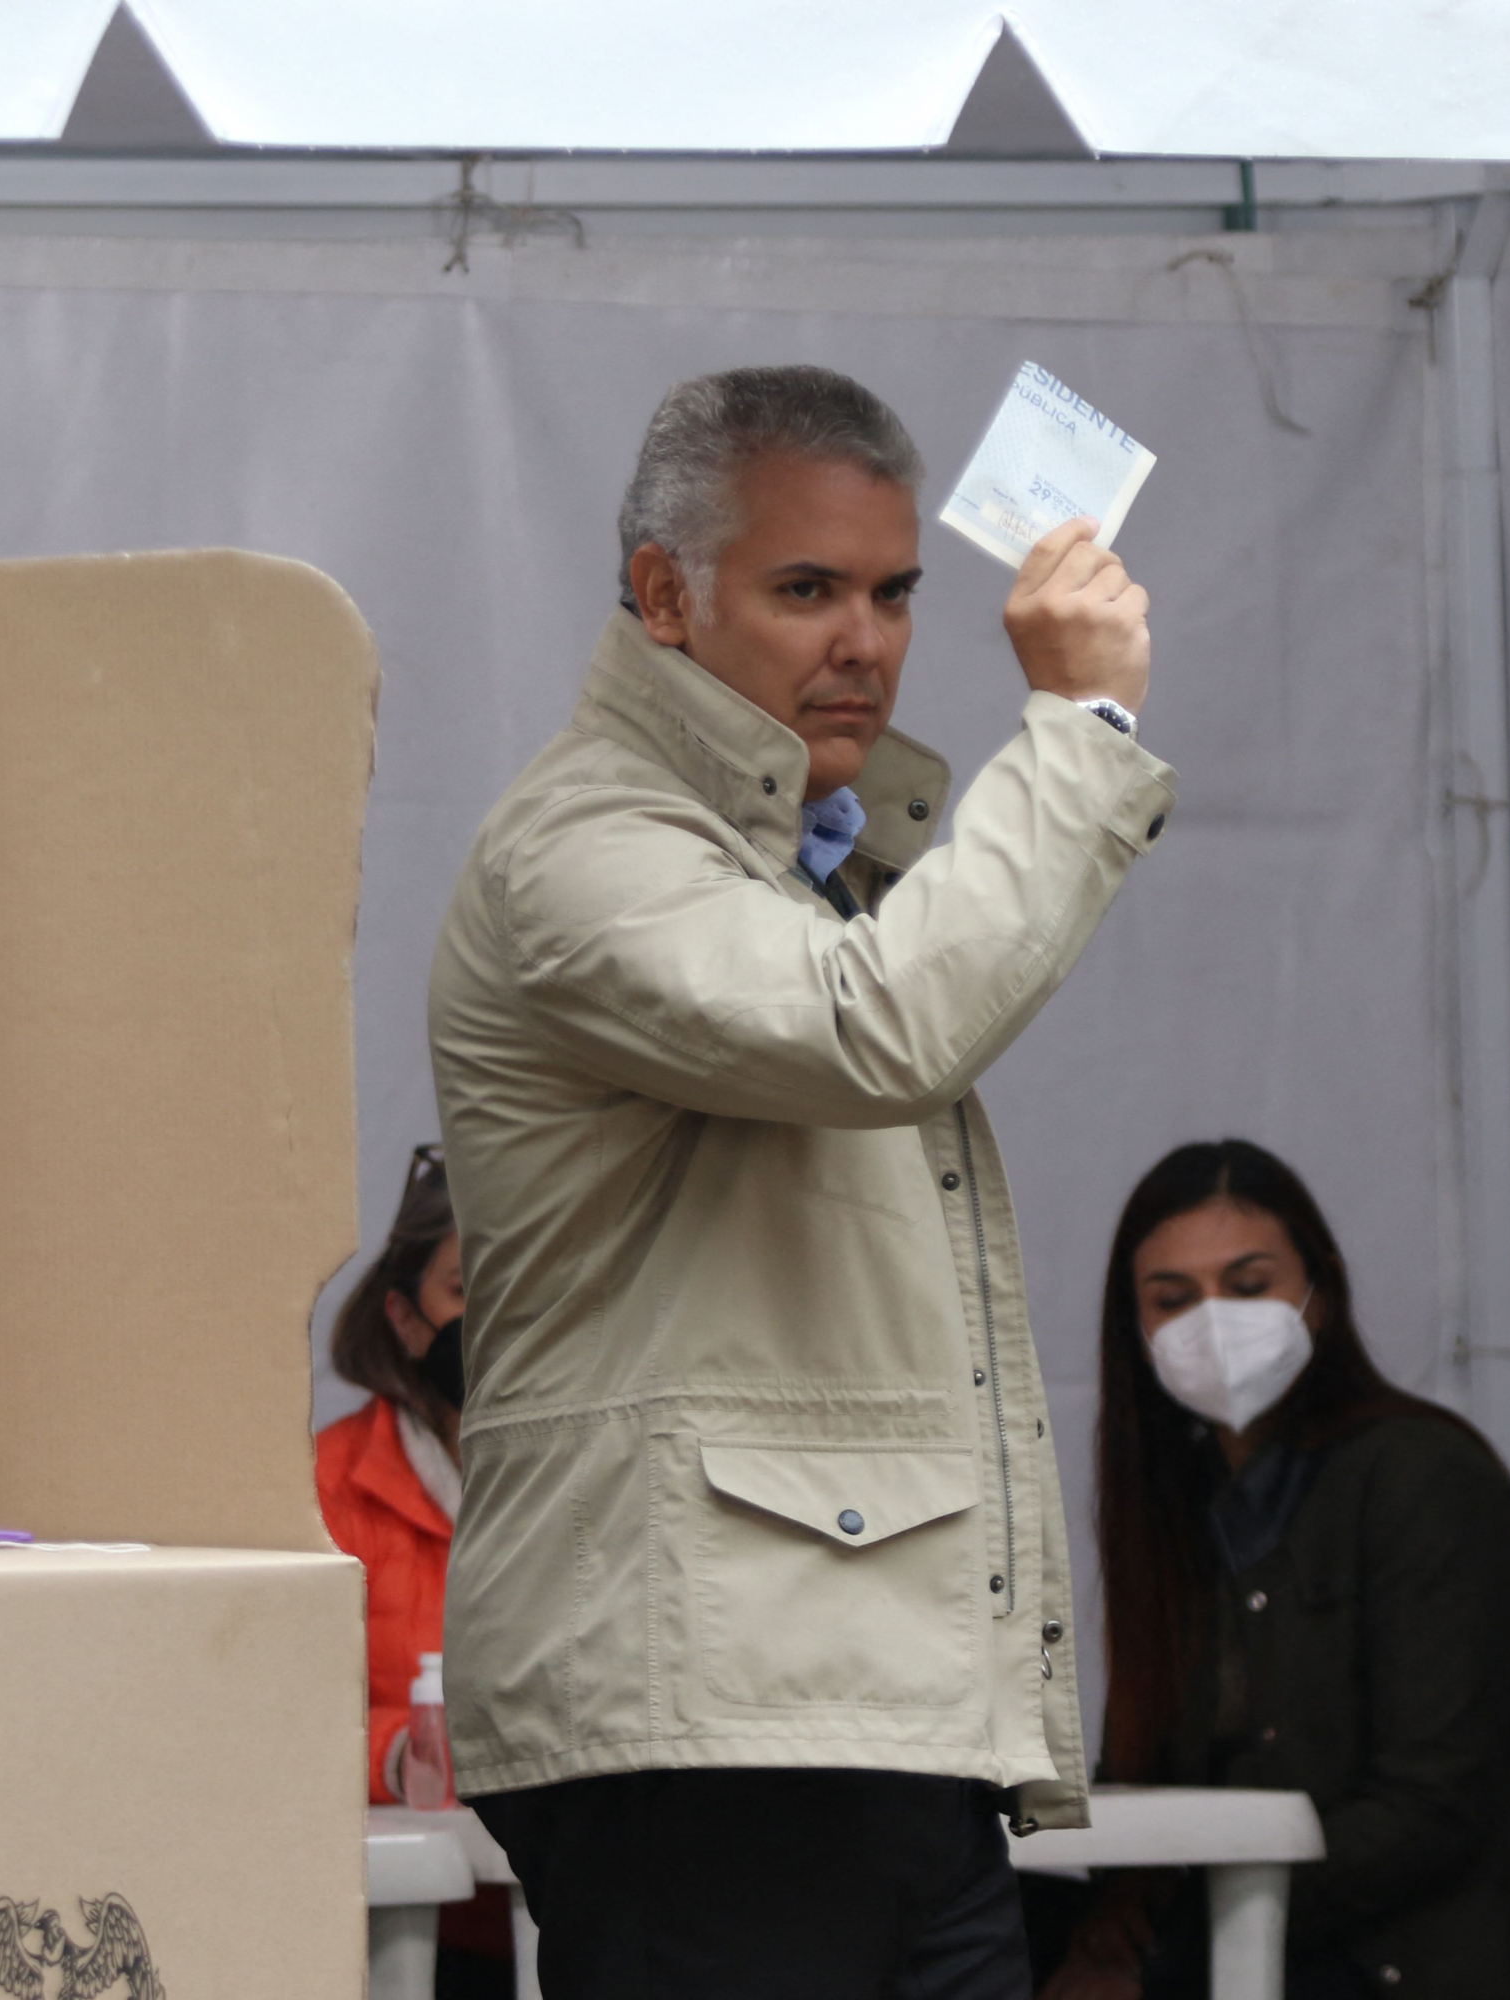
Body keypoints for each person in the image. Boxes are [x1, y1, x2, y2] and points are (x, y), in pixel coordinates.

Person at [428, 363, 1173, 2000]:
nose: (868, 639)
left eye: (897, 590)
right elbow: (877, 1029)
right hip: (702, 1714)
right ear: (661, 596)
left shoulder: (810, 852)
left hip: (860, 1704)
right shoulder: (582, 842)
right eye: (808, 588)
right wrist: (1083, 731)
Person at [1033, 1139, 1510, 2000]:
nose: (1212, 1323)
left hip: (1382, 1954)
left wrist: (1181, 1930)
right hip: (1246, 1920)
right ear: (1134, 1333)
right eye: (1172, 1301)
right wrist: (1120, 1924)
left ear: (1319, 1297)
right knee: (967, 1915)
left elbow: (1435, 1810)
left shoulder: (1423, 1474)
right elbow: (1141, 1776)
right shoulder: (1185, 1505)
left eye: (1249, 1287)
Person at [309, 1141, 512, 1997]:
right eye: (469, 1290)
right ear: (402, 1316)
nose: (502, 1318)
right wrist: (403, 1752)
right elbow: (272, 1720)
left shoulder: (605, 1479)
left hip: (586, 1916)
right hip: (408, 1939)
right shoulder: (322, 1488)